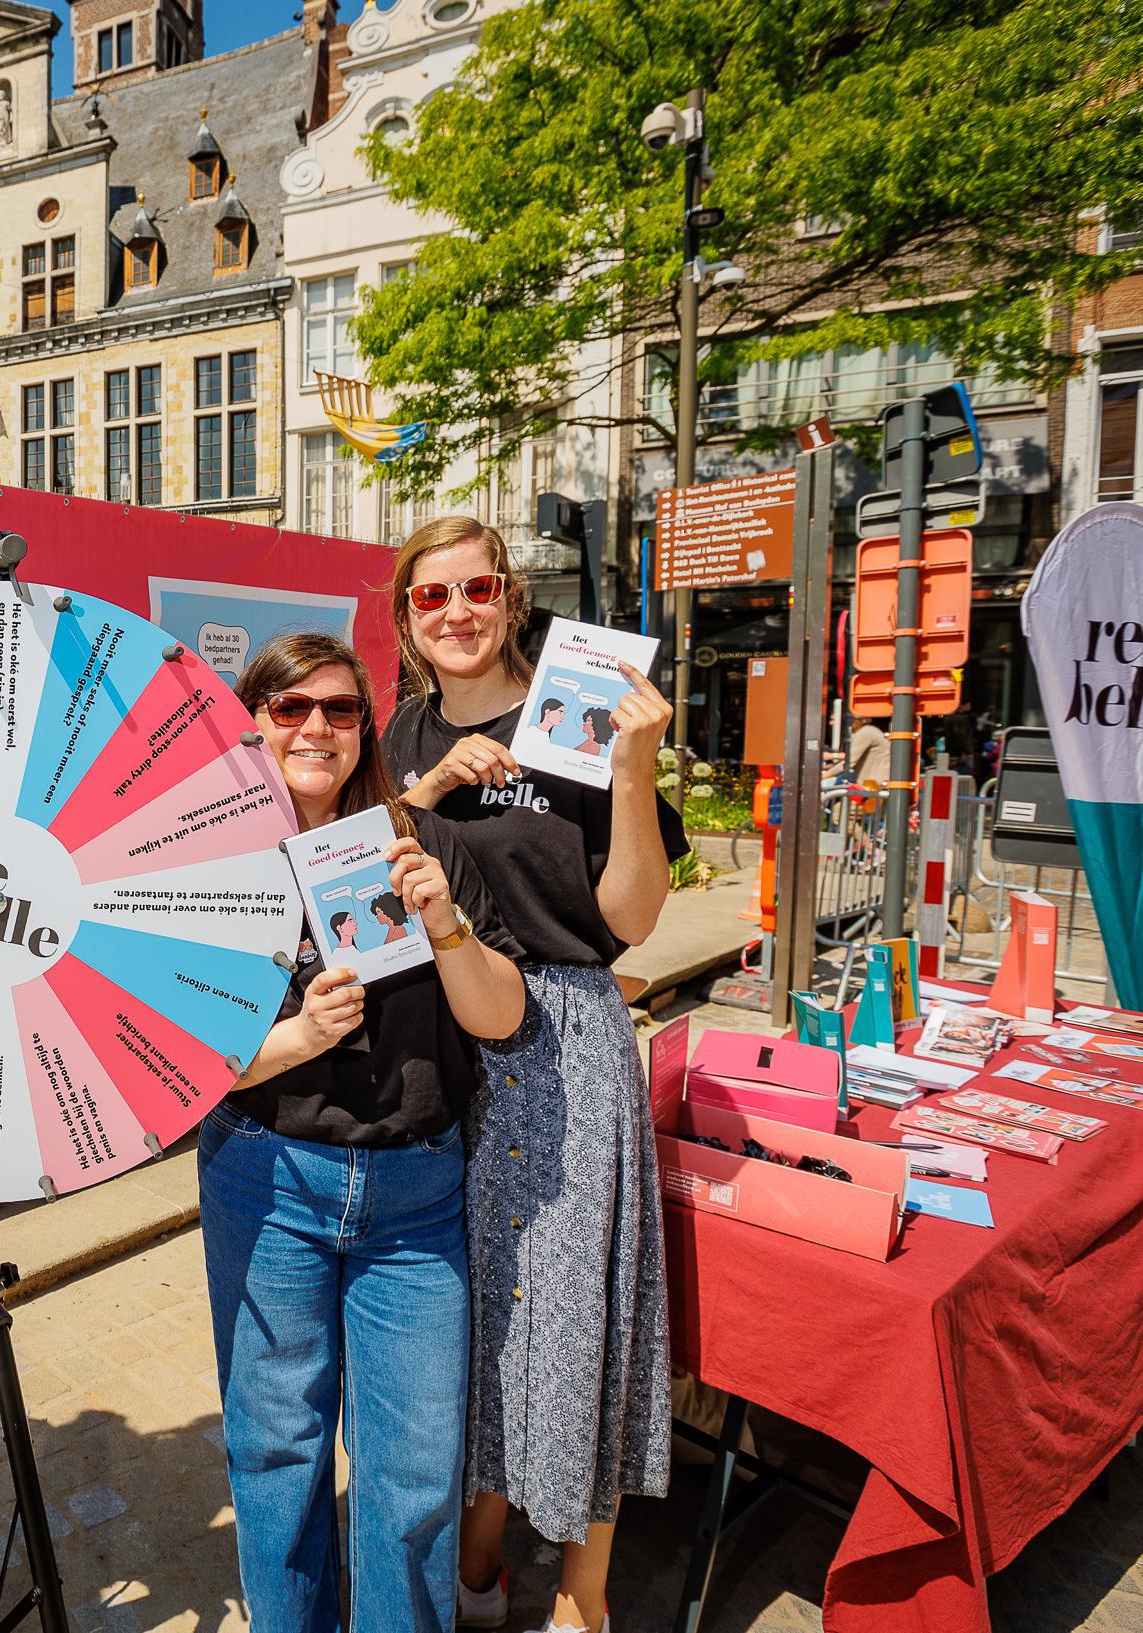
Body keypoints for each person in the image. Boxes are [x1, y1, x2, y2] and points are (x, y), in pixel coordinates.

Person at [380, 516, 686, 1633]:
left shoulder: (586, 704)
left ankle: (582, 1596)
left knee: (566, 1322)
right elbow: (360, 871)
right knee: (467, 1322)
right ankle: (474, 1556)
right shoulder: (403, 728)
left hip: (562, 1037)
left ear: (510, 598)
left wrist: (635, 765)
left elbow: (632, 921)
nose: (455, 611)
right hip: (442, 1048)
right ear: (406, 617)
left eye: (478, 587)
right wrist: (419, 791)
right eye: (429, 595)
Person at [200, 632, 527, 1633]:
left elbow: (503, 1017)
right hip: (268, 1180)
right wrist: (294, 1038)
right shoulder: (211, 866)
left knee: (415, 1478)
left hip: (415, 1200)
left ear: (365, 725)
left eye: (338, 709)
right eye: (287, 707)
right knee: (272, 1454)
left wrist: (446, 928)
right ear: (252, 722)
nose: (313, 727)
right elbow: (172, 1058)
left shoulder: (422, 845)